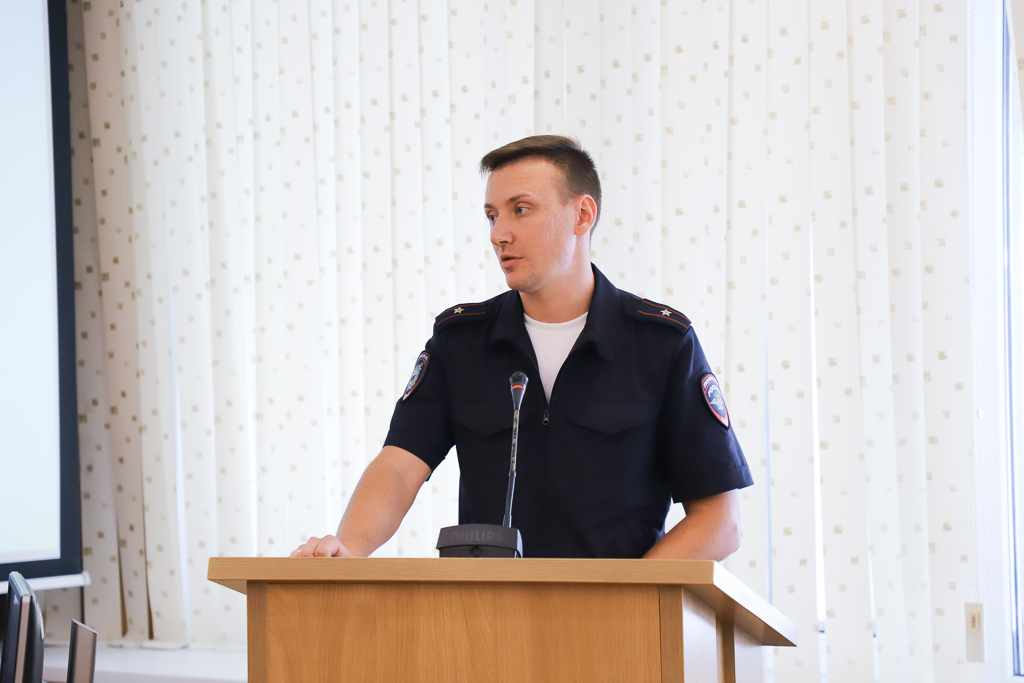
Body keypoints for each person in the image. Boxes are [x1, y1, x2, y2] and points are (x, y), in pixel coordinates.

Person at [292, 135, 752, 560]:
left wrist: (628, 598)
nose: (499, 233)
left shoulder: (660, 343)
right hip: (485, 611)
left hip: (617, 617)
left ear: (582, 215)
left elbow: (719, 521)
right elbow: (399, 466)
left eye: (521, 209)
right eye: (493, 215)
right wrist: (346, 552)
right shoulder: (460, 340)